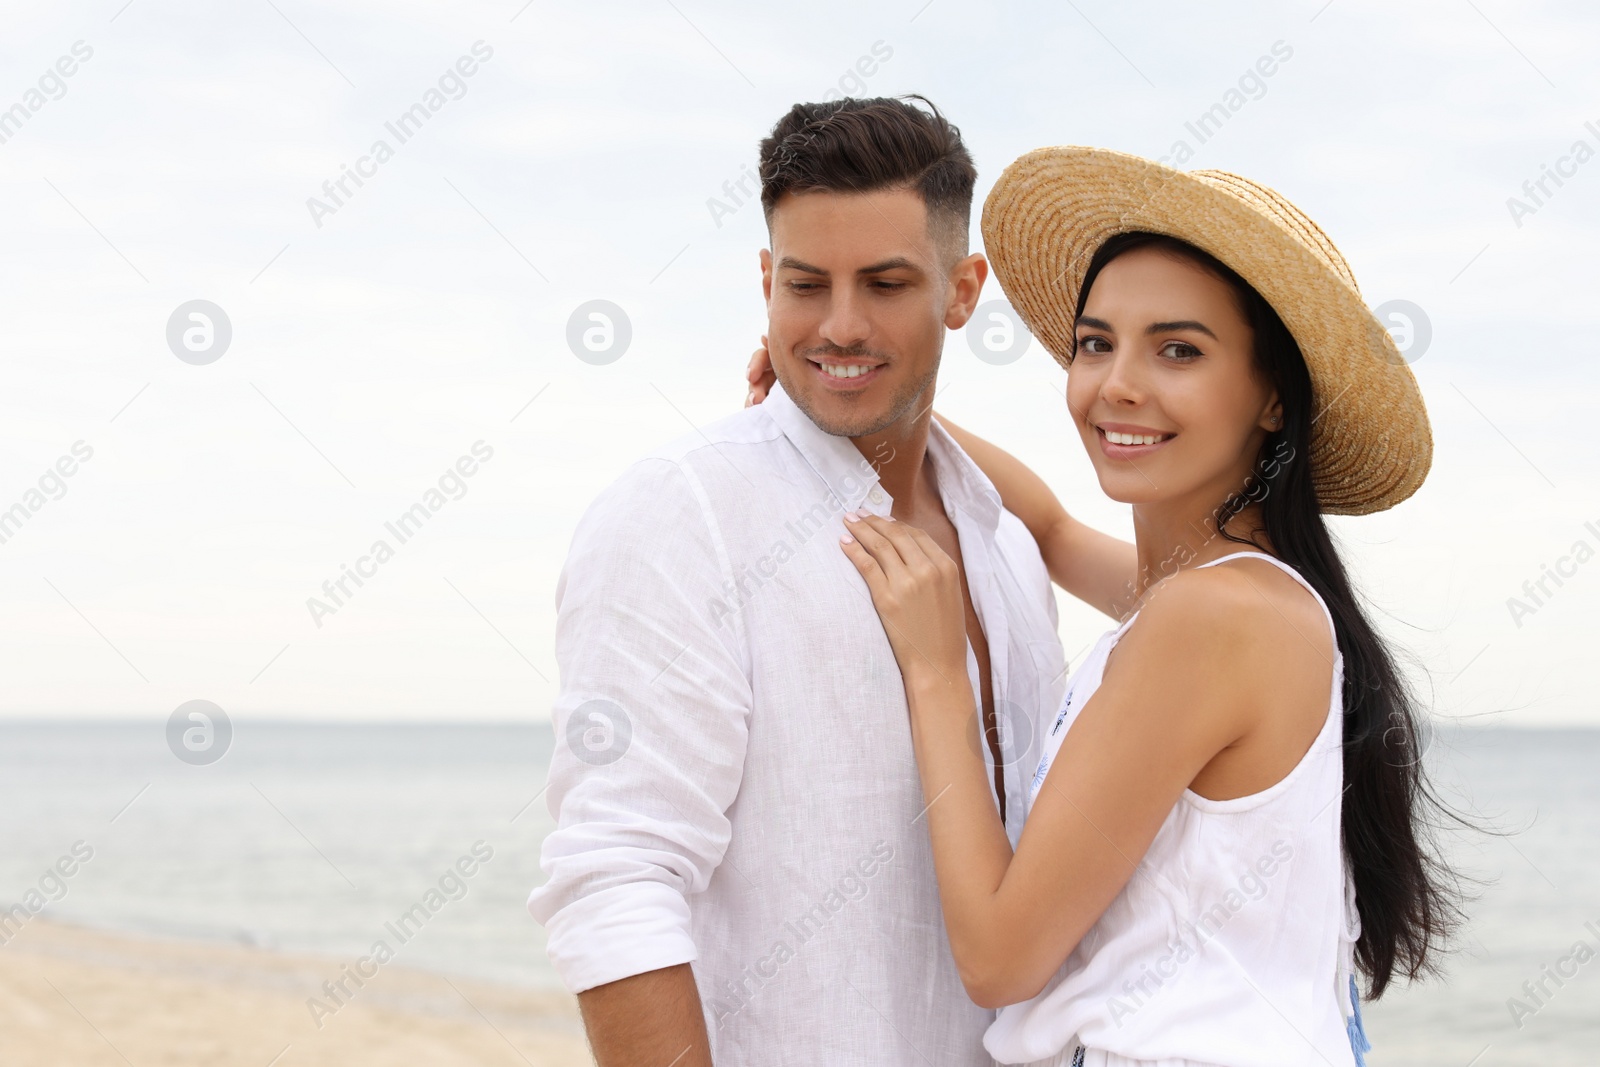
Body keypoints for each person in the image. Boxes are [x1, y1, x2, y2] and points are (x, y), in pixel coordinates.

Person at [751, 147, 1460, 1066]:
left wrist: (936, 673)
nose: (1117, 383)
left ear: (1274, 396)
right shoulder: (1248, 598)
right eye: (1096, 343)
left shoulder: (1208, 621)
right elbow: (1042, 524)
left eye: (1178, 349)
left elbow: (1000, 956)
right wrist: (852, 384)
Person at [528, 100, 1132, 1066]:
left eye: (887, 284)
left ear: (963, 290)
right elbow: (617, 878)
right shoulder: (686, 515)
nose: (840, 325)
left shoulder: (1007, 543)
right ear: (766, 283)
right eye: (806, 285)